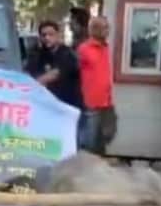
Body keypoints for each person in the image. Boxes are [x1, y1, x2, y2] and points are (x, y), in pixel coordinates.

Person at [76, 15, 116, 154]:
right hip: (90, 104)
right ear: (94, 29)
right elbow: (75, 73)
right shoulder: (84, 49)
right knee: (89, 143)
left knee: (104, 140)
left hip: (106, 102)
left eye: (108, 27)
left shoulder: (105, 48)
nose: (108, 30)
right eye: (105, 27)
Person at [26, 20, 83, 111]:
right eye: (43, 35)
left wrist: (28, 86)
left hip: (67, 107)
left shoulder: (68, 54)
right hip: (46, 107)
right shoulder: (37, 54)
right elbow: (28, 73)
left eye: (51, 34)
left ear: (58, 35)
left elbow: (54, 74)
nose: (47, 38)